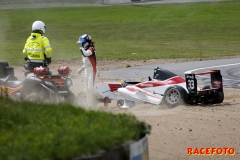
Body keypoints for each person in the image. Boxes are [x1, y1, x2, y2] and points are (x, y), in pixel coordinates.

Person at [77, 34, 98, 108]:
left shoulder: (91, 49)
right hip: (87, 70)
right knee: (87, 90)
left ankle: (100, 95)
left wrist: (80, 47)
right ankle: (89, 105)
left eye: (82, 43)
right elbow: (86, 63)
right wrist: (81, 69)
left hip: (92, 70)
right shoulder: (84, 50)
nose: (81, 44)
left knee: (90, 88)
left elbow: (86, 54)